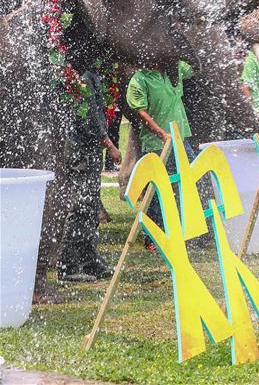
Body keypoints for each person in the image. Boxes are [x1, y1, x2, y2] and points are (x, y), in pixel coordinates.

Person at [57, 69, 120, 282]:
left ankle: (89, 259)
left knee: (91, 207)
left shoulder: (92, 74)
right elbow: (90, 118)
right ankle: (67, 266)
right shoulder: (81, 78)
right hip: (80, 151)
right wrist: (110, 145)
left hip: (90, 150)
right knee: (80, 207)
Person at [126, 60, 196, 251]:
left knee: (188, 182)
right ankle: (152, 237)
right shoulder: (139, 80)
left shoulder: (174, 70)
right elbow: (140, 112)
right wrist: (160, 133)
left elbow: (195, 67)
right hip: (157, 144)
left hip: (180, 139)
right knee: (156, 191)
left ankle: (183, 231)